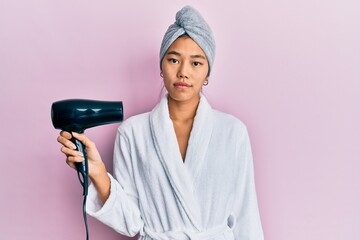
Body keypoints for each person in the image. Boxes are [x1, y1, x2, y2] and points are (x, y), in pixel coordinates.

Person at [57, 5, 264, 240]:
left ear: (208, 74)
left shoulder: (233, 132)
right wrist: (97, 172)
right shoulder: (132, 133)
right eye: (174, 60)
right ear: (161, 67)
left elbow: (247, 218)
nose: (183, 72)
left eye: (196, 63)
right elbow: (132, 222)